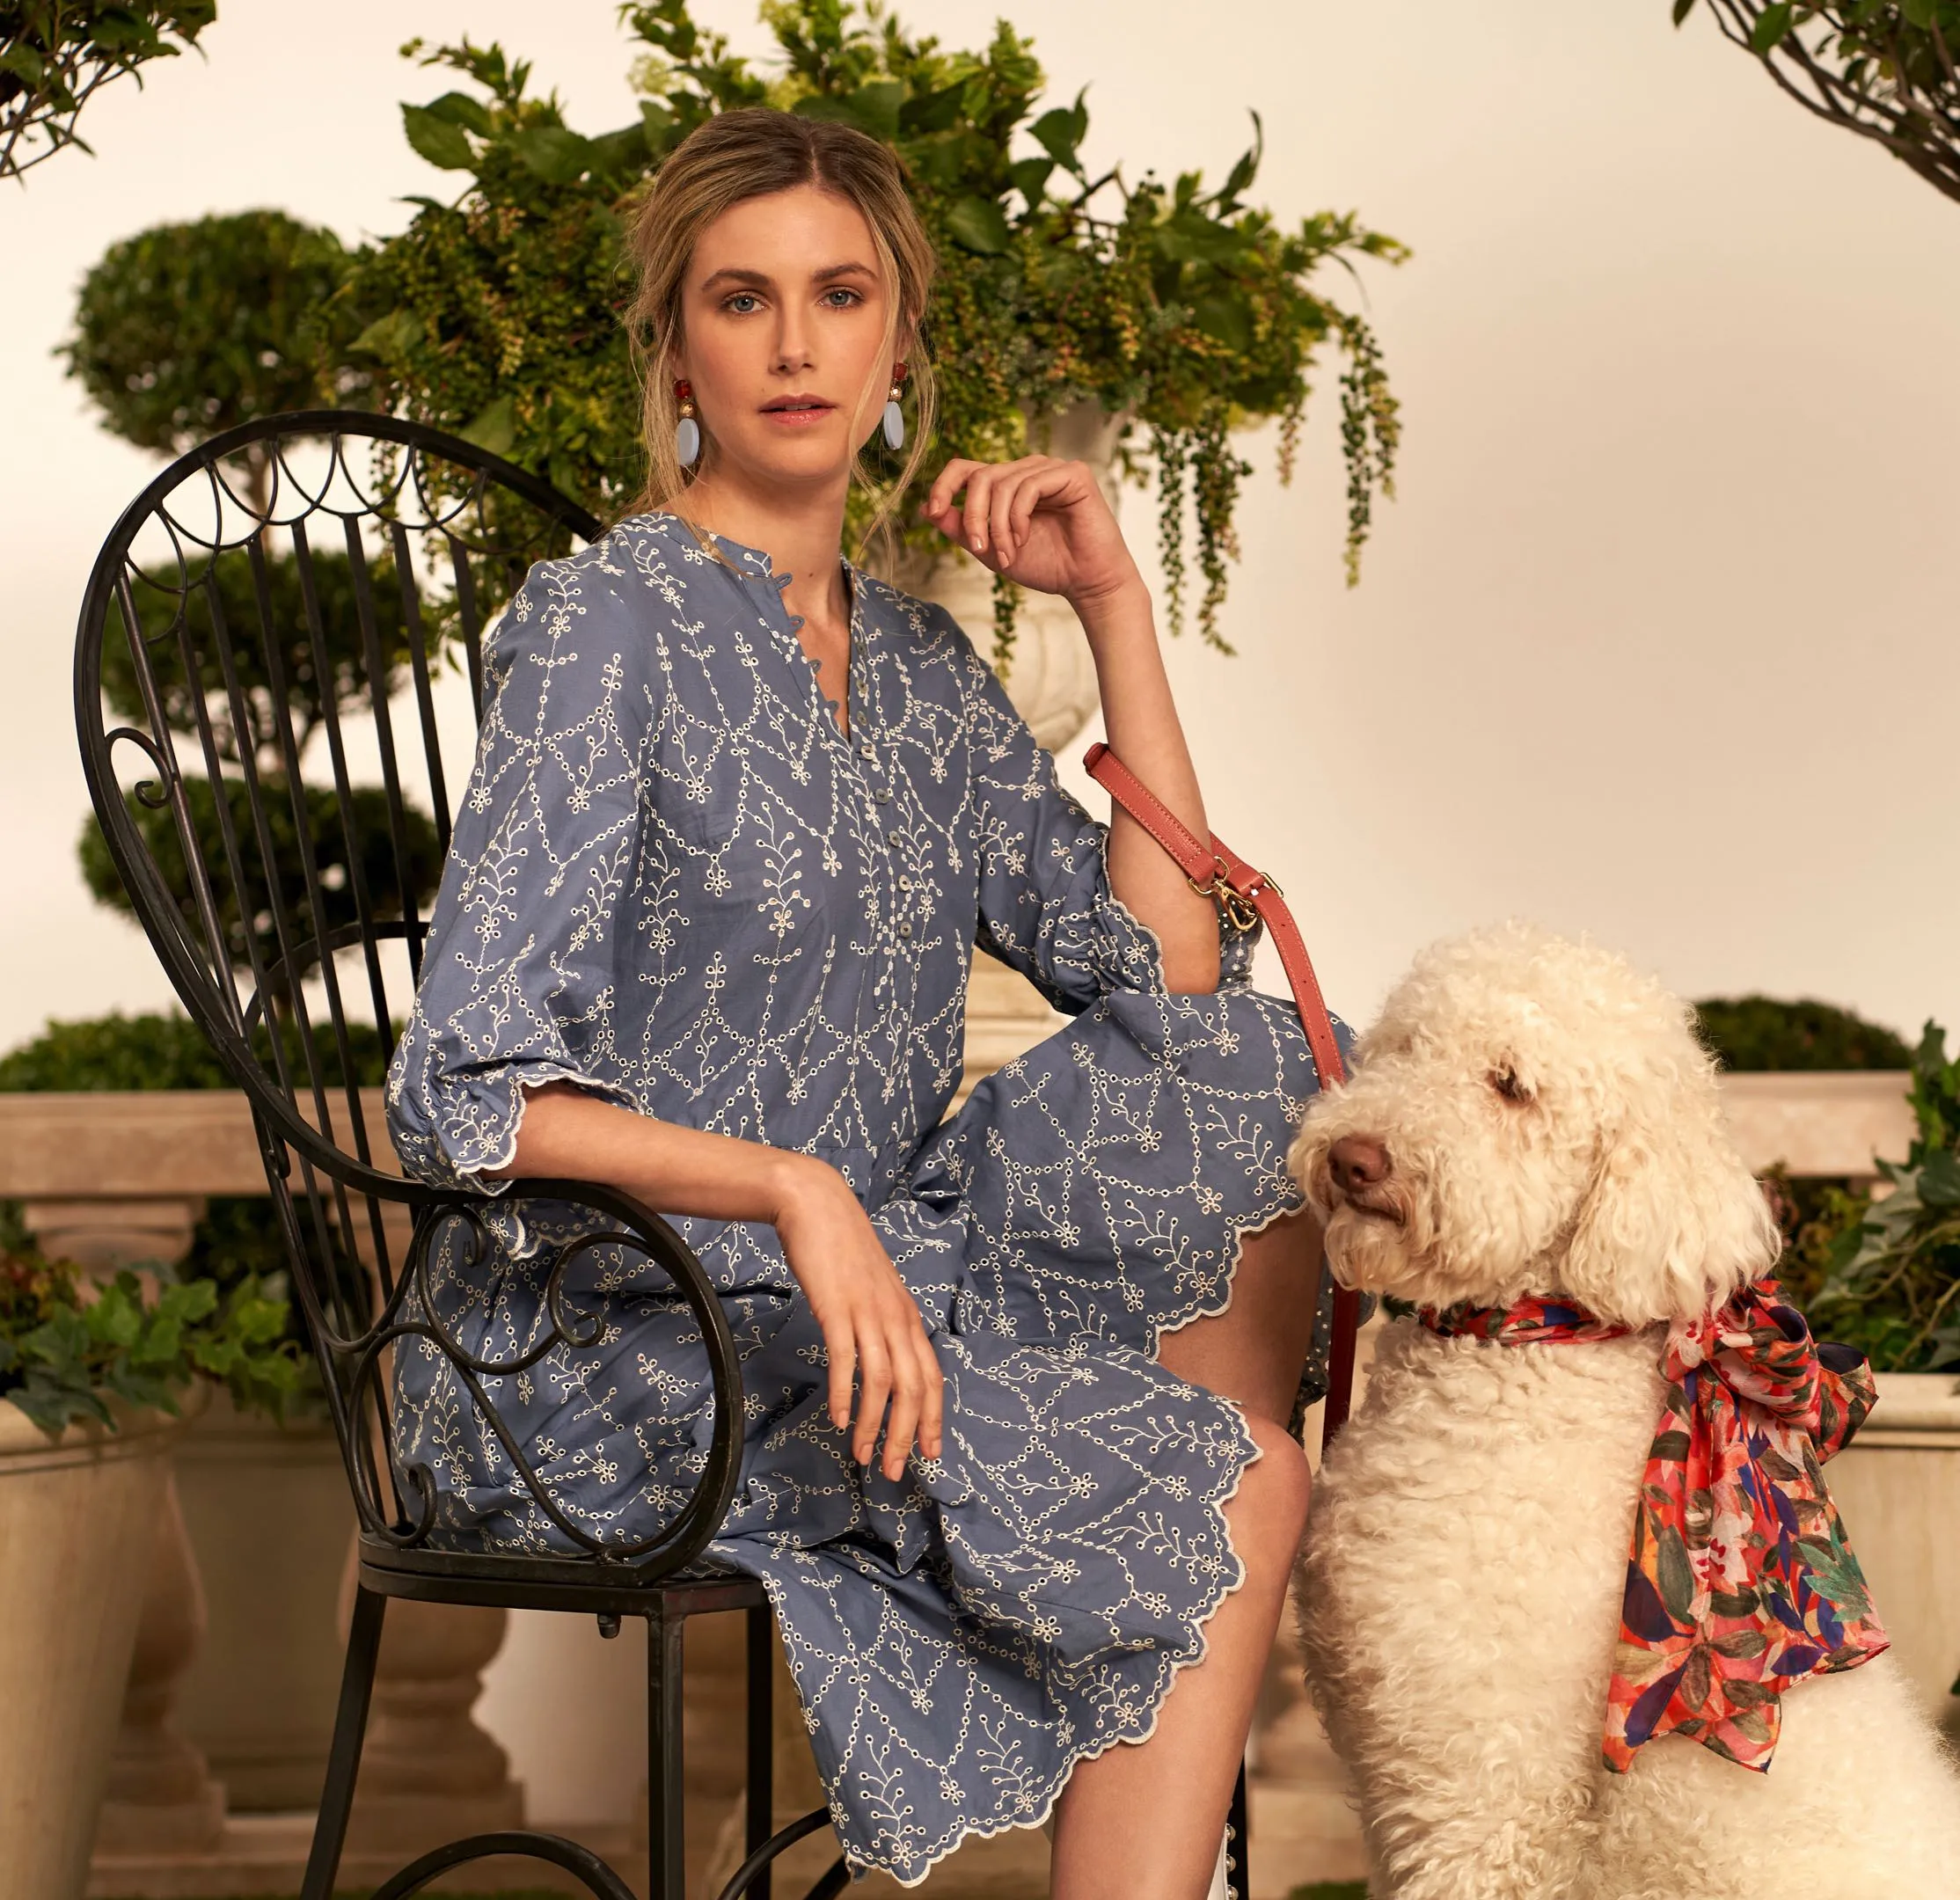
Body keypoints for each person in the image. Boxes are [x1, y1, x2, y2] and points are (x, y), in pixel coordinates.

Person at [386, 106, 1343, 1900]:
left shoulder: (914, 665)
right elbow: (462, 1093)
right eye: (741, 300)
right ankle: (1161, 1666)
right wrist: (792, 1191)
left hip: (872, 1301)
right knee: (1237, 1487)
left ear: (901, 348)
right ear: (678, 353)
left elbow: (1165, 972)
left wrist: (1117, 609)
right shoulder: (606, 625)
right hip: (607, 1337)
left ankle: (1148, 1583)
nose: (796, 344)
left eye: (840, 297)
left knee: (1265, 1078)